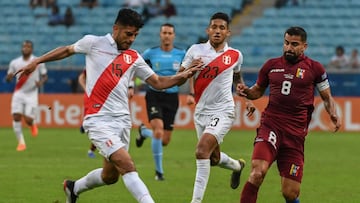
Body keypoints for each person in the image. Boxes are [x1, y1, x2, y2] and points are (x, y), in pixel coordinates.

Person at [15, 8, 201, 203]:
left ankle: (73, 187)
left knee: (110, 176)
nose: (131, 39)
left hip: (122, 122)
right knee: (128, 165)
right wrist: (37, 61)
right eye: (128, 34)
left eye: (135, 35)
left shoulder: (134, 57)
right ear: (116, 28)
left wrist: (183, 76)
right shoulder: (94, 43)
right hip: (97, 119)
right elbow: (67, 50)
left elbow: (158, 83)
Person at [237, 26, 341, 203]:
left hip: (295, 135)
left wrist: (333, 113)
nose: (289, 48)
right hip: (271, 127)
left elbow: (327, 96)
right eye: (286, 43)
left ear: (304, 46)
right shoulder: (271, 65)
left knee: (290, 193)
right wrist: (246, 92)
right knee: (257, 173)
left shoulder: (315, 68)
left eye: (294, 44)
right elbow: (257, 91)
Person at [179, 12, 255, 203]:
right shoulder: (195, 51)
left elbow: (237, 77)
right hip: (201, 112)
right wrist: (190, 70)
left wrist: (246, 98)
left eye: (222, 28)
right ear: (208, 30)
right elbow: (179, 75)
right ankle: (237, 166)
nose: (217, 31)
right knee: (212, 158)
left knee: (201, 151)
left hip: (223, 110)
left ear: (228, 32)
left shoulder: (235, 55)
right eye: (214, 27)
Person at [136, 23, 186, 181]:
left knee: (164, 140)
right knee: (158, 131)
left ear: (174, 36)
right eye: (164, 32)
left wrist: (192, 93)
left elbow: (191, 72)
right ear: (160, 34)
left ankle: (144, 132)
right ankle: (159, 173)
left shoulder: (181, 53)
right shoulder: (151, 53)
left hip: (172, 98)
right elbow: (134, 65)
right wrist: (132, 85)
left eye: (169, 33)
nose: (166, 35)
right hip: (154, 95)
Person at [78, 70, 135, 158]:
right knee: (100, 127)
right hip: (95, 99)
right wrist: (86, 89)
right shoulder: (94, 63)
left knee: (105, 129)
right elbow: (82, 77)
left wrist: (130, 87)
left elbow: (127, 74)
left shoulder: (114, 65)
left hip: (110, 100)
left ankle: (96, 150)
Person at [6, 40, 48, 151]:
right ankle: (21, 143)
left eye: (28, 47)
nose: (26, 48)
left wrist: (41, 82)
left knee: (28, 119)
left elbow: (45, 76)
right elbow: (9, 76)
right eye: (24, 46)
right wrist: (9, 78)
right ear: (21, 48)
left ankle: (32, 124)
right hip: (18, 93)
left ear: (32, 49)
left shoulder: (37, 62)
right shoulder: (14, 63)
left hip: (32, 94)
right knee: (16, 116)